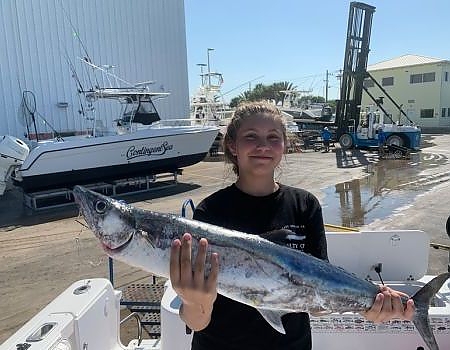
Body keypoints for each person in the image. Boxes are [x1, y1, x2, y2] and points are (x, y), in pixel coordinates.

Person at [169, 101, 415, 350]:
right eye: (251, 136)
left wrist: (369, 306)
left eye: (273, 137)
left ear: (285, 145)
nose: (263, 146)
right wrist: (195, 303)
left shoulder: (305, 205)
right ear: (233, 145)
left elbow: (318, 295)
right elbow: (196, 322)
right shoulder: (210, 211)